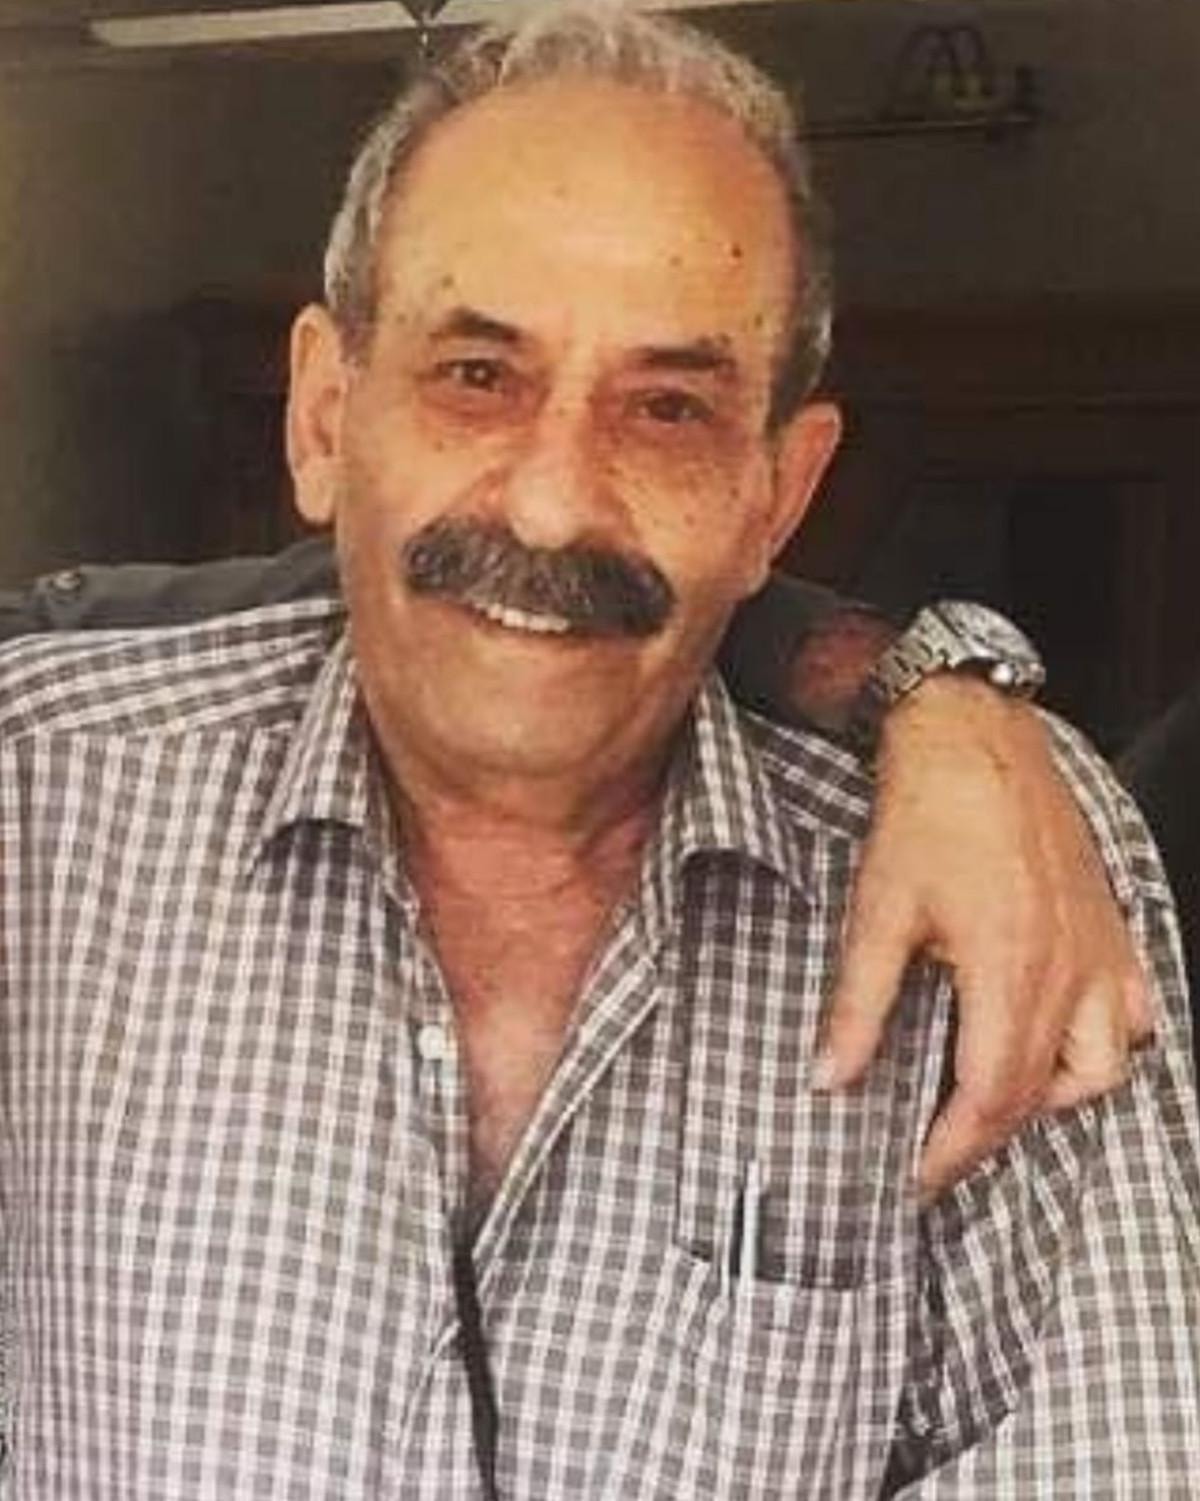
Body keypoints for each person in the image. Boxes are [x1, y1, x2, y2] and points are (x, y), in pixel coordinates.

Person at [0, 7, 1195, 1496]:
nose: (555, 504)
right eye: (476, 377)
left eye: (670, 409)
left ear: (777, 494)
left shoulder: (1000, 885)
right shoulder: (39, 805)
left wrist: (946, 697)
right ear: (324, 418)